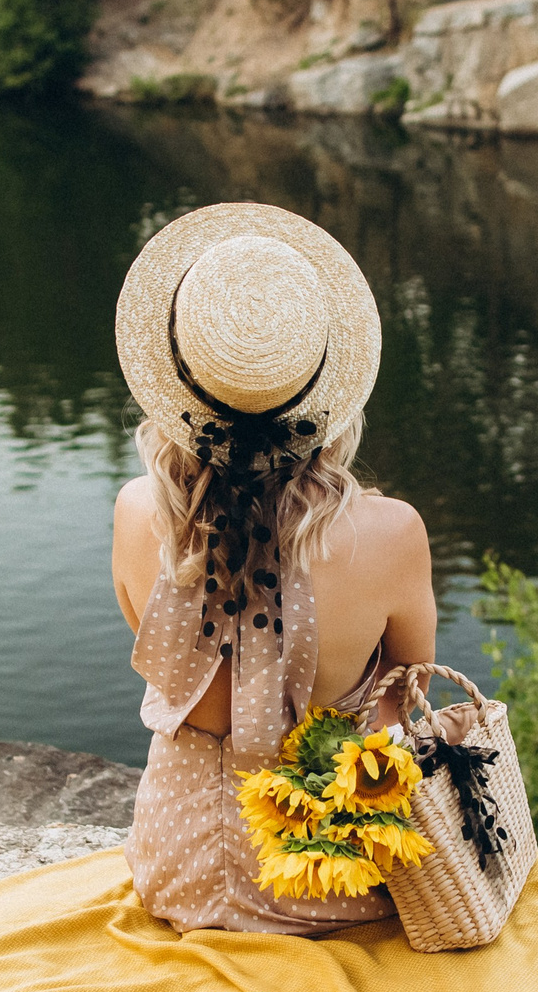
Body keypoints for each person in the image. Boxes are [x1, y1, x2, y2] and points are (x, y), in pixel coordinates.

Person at [110, 202, 436, 935]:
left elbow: (156, 658)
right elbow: (405, 692)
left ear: (177, 387)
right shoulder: (391, 535)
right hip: (332, 876)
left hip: (174, 871)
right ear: (325, 390)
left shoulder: (137, 513)